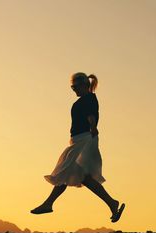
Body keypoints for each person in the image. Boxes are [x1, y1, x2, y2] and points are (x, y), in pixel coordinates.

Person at [30, 72, 125, 223]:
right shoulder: (84, 100)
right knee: (83, 177)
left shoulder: (89, 99)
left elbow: (91, 115)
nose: (73, 89)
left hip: (84, 139)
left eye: (75, 86)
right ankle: (112, 203)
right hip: (78, 140)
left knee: (65, 171)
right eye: (72, 87)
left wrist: (93, 127)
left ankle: (48, 204)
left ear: (84, 85)